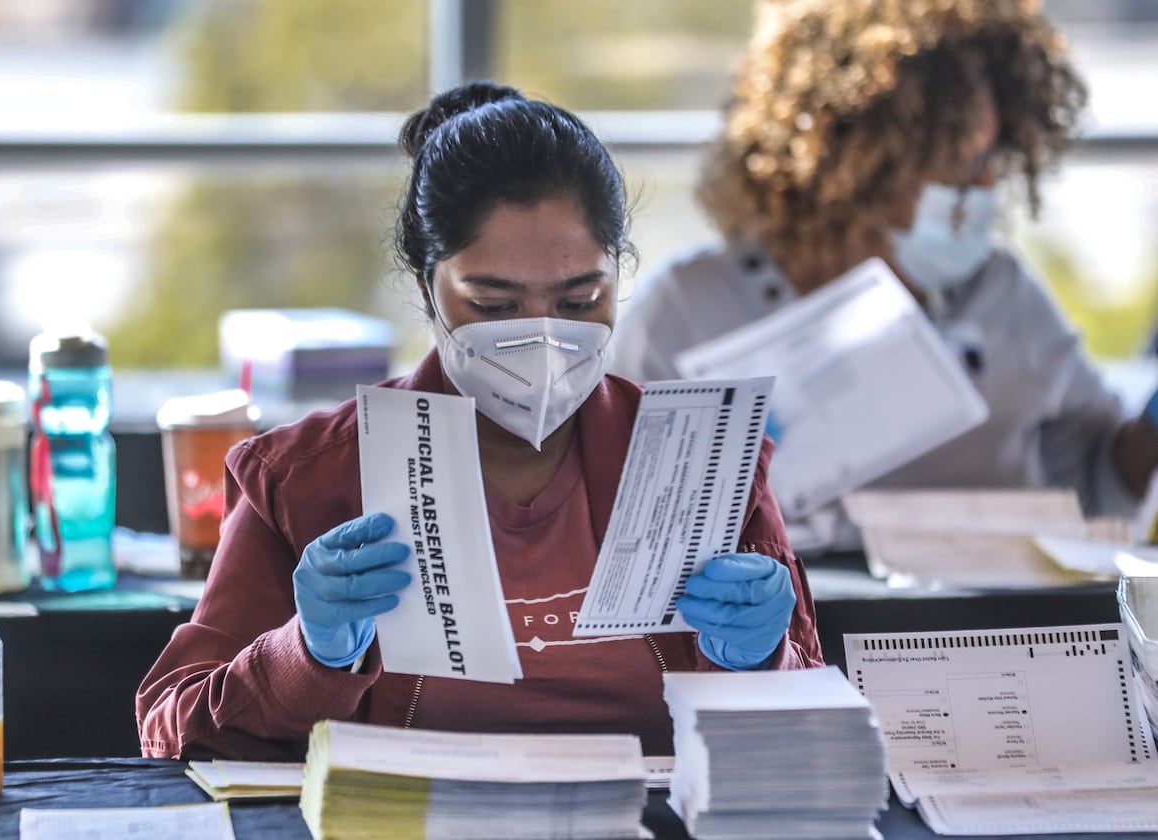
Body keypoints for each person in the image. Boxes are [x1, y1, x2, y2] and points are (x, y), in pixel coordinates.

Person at [136, 81, 825, 761]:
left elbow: (814, 733)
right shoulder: (305, 477)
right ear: (424, 288)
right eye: (493, 306)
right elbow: (170, 728)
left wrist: (763, 659)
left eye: (580, 300)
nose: (543, 337)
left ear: (618, 279)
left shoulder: (705, 459)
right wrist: (309, 654)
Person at [612, 0, 1158, 552]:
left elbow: (1101, 480)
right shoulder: (685, 311)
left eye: (992, 159)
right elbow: (608, 518)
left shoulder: (1000, 294)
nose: (987, 188)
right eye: (962, 165)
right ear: (857, 165)